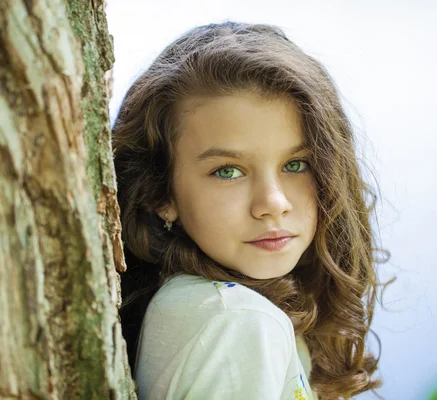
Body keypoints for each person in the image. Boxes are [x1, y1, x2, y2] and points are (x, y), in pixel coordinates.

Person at [112, 21, 388, 400]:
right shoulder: (237, 320)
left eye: (296, 165)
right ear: (161, 194)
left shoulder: (224, 310)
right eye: (228, 171)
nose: (273, 203)